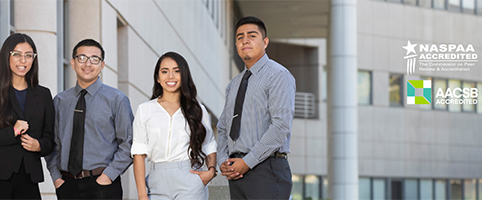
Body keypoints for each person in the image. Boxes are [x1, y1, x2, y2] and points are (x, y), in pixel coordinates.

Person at [0, 33, 55, 200]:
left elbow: (50, 138)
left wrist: (39, 145)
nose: (23, 60)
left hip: (29, 178)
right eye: (17, 54)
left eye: (29, 55)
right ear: (7, 56)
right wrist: (11, 132)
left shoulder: (43, 95)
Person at [216, 16, 296, 200]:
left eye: (252, 35)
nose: (245, 40)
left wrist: (247, 162)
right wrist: (223, 162)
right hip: (237, 174)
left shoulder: (278, 75)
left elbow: (280, 127)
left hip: (267, 170)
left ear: (265, 42)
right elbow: (222, 128)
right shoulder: (234, 84)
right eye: (240, 37)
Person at [46, 39, 133, 200]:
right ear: (73, 63)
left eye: (94, 59)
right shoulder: (59, 101)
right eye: (82, 58)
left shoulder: (117, 99)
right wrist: (56, 177)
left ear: (102, 65)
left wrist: (108, 176)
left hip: (103, 186)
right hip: (67, 186)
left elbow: (128, 144)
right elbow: (52, 143)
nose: (88, 63)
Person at [132, 52, 218, 200]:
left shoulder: (198, 110)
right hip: (156, 182)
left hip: (189, 179)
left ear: (184, 76)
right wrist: (142, 194)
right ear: (158, 78)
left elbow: (209, 145)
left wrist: (211, 171)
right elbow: (138, 153)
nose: (170, 76)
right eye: (164, 71)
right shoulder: (145, 110)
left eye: (177, 71)